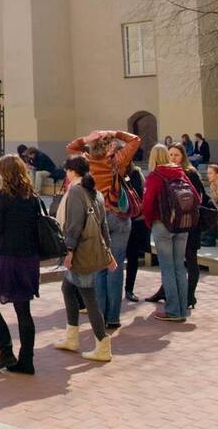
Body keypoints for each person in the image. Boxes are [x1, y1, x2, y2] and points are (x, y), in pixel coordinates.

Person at [65, 129, 140, 329]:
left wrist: (85, 138)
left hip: (97, 216)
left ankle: (99, 316)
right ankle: (113, 317)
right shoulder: (117, 160)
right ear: (109, 145)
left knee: (99, 267)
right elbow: (135, 140)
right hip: (119, 215)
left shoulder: (86, 162)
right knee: (116, 267)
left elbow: (70, 148)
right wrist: (116, 132)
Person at [0, 154, 43, 374]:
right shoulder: (32, 197)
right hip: (29, 258)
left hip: (6, 257)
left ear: (4, 174)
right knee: (23, 310)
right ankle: (26, 360)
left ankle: (6, 351)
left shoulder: (1, 197)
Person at [53, 155, 115, 362]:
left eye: (67, 170)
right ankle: (72, 337)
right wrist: (108, 253)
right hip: (92, 249)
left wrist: (68, 251)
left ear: (72, 171)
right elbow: (103, 225)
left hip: (81, 252)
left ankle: (102, 344)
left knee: (89, 297)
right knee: (68, 288)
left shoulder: (76, 191)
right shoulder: (95, 192)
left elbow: (74, 226)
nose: (66, 174)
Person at [141, 144, 199, 321]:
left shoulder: (154, 176)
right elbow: (196, 197)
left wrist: (149, 221)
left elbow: (148, 203)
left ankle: (173, 310)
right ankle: (182, 308)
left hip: (162, 225)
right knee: (179, 267)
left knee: (167, 268)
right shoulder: (179, 172)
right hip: (182, 225)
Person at [167, 143, 213, 307]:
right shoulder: (169, 173)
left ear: (183, 156)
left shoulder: (190, 172)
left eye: (176, 155)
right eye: (170, 155)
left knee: (190, 258)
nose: (173, 158)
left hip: (191, 222)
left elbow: (198, 196)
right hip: (175, 223)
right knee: (171, 260)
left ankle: (190, 295)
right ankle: (166, 292)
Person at [122, 162, 148, 302]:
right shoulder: (110, 172)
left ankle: (129, 289)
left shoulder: (136, 173)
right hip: (117, 220)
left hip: (135, 220)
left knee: (132, 257)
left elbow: (143, 193)